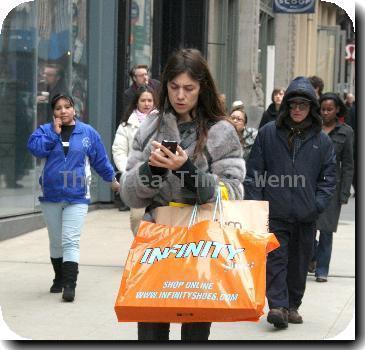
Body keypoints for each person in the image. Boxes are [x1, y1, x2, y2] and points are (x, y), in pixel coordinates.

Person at [120, 48, 245, 341]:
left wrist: (187, 170)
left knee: (195, 332)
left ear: (202, 88)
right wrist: (152, 171)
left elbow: (234, 191)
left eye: (189, 88)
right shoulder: (150, 125)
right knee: (150, 327)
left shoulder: (221, 131)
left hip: (202, 242)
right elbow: (129, 194)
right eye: (174, 87)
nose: (180, 95)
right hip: (157, 240)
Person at [244, 76, 337, 329]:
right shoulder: (268, 134)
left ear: (311, 108)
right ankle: (277, 306)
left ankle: (292, 305)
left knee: (298, 264)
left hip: (306, 215)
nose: (297, 110)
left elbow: (329, 178)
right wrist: (257, 206)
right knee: (275, 260)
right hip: (274, 212)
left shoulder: (322, 140)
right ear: (286, 106)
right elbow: (254, 174)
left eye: (303, 105)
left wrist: (316, 204)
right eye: (293, 104)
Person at [27, 94, 120, 302]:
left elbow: (100, 160)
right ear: (53, 112)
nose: (63, 111)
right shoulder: (43, 131)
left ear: (74, 110)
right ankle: (59, 278)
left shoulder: (88, 133)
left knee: (70, 240)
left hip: (77, 195)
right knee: (56, 240)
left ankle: (70, 285)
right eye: (58, 108)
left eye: (67, 107)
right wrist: (54, 133)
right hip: (51, 195)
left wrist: (112, 180)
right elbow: (35, 150)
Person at [311, 93, 353, 282]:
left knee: (326, 231)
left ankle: (322, 270)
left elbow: (348, 164)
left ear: (337, 110)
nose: (326, 113)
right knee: (308, 229)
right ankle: (312, 257)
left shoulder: (346, 132)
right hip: (309, 185)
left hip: (332, 188)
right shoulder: (312, 129)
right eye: (323, 109)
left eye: (330, 109)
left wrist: (344, 192)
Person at [112, 85, 158, 232]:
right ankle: (141, 249)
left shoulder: (163, 121)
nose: (147, 104)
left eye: (150, 100)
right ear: (137, 102)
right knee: (137, 219)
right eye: (143, 100)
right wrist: (129, 170)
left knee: (160, 219)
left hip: (161, 178)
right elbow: (119, 150)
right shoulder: (126, 124)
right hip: (138, 179)